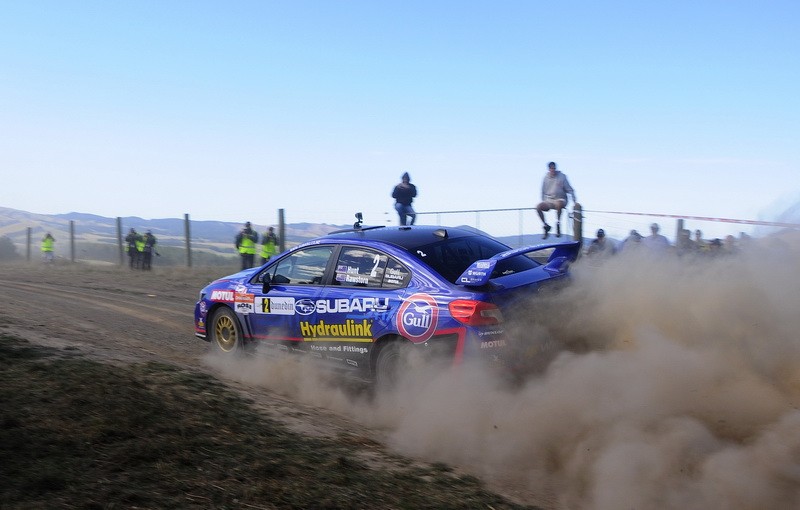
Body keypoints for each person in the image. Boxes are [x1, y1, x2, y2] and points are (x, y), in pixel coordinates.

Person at [536, 162, 576, 239]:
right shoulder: (545, 178)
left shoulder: (562, 177)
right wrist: (544, 200)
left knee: (559, 203)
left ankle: (558, 223)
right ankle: (546, 226)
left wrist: (574, 201)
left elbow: (570, 189)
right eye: (551, 169)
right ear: (549, 169)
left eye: (554, 168)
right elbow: (543, 191)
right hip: (549, 200)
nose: (553, 170)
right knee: (538, 207)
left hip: (561, 198)